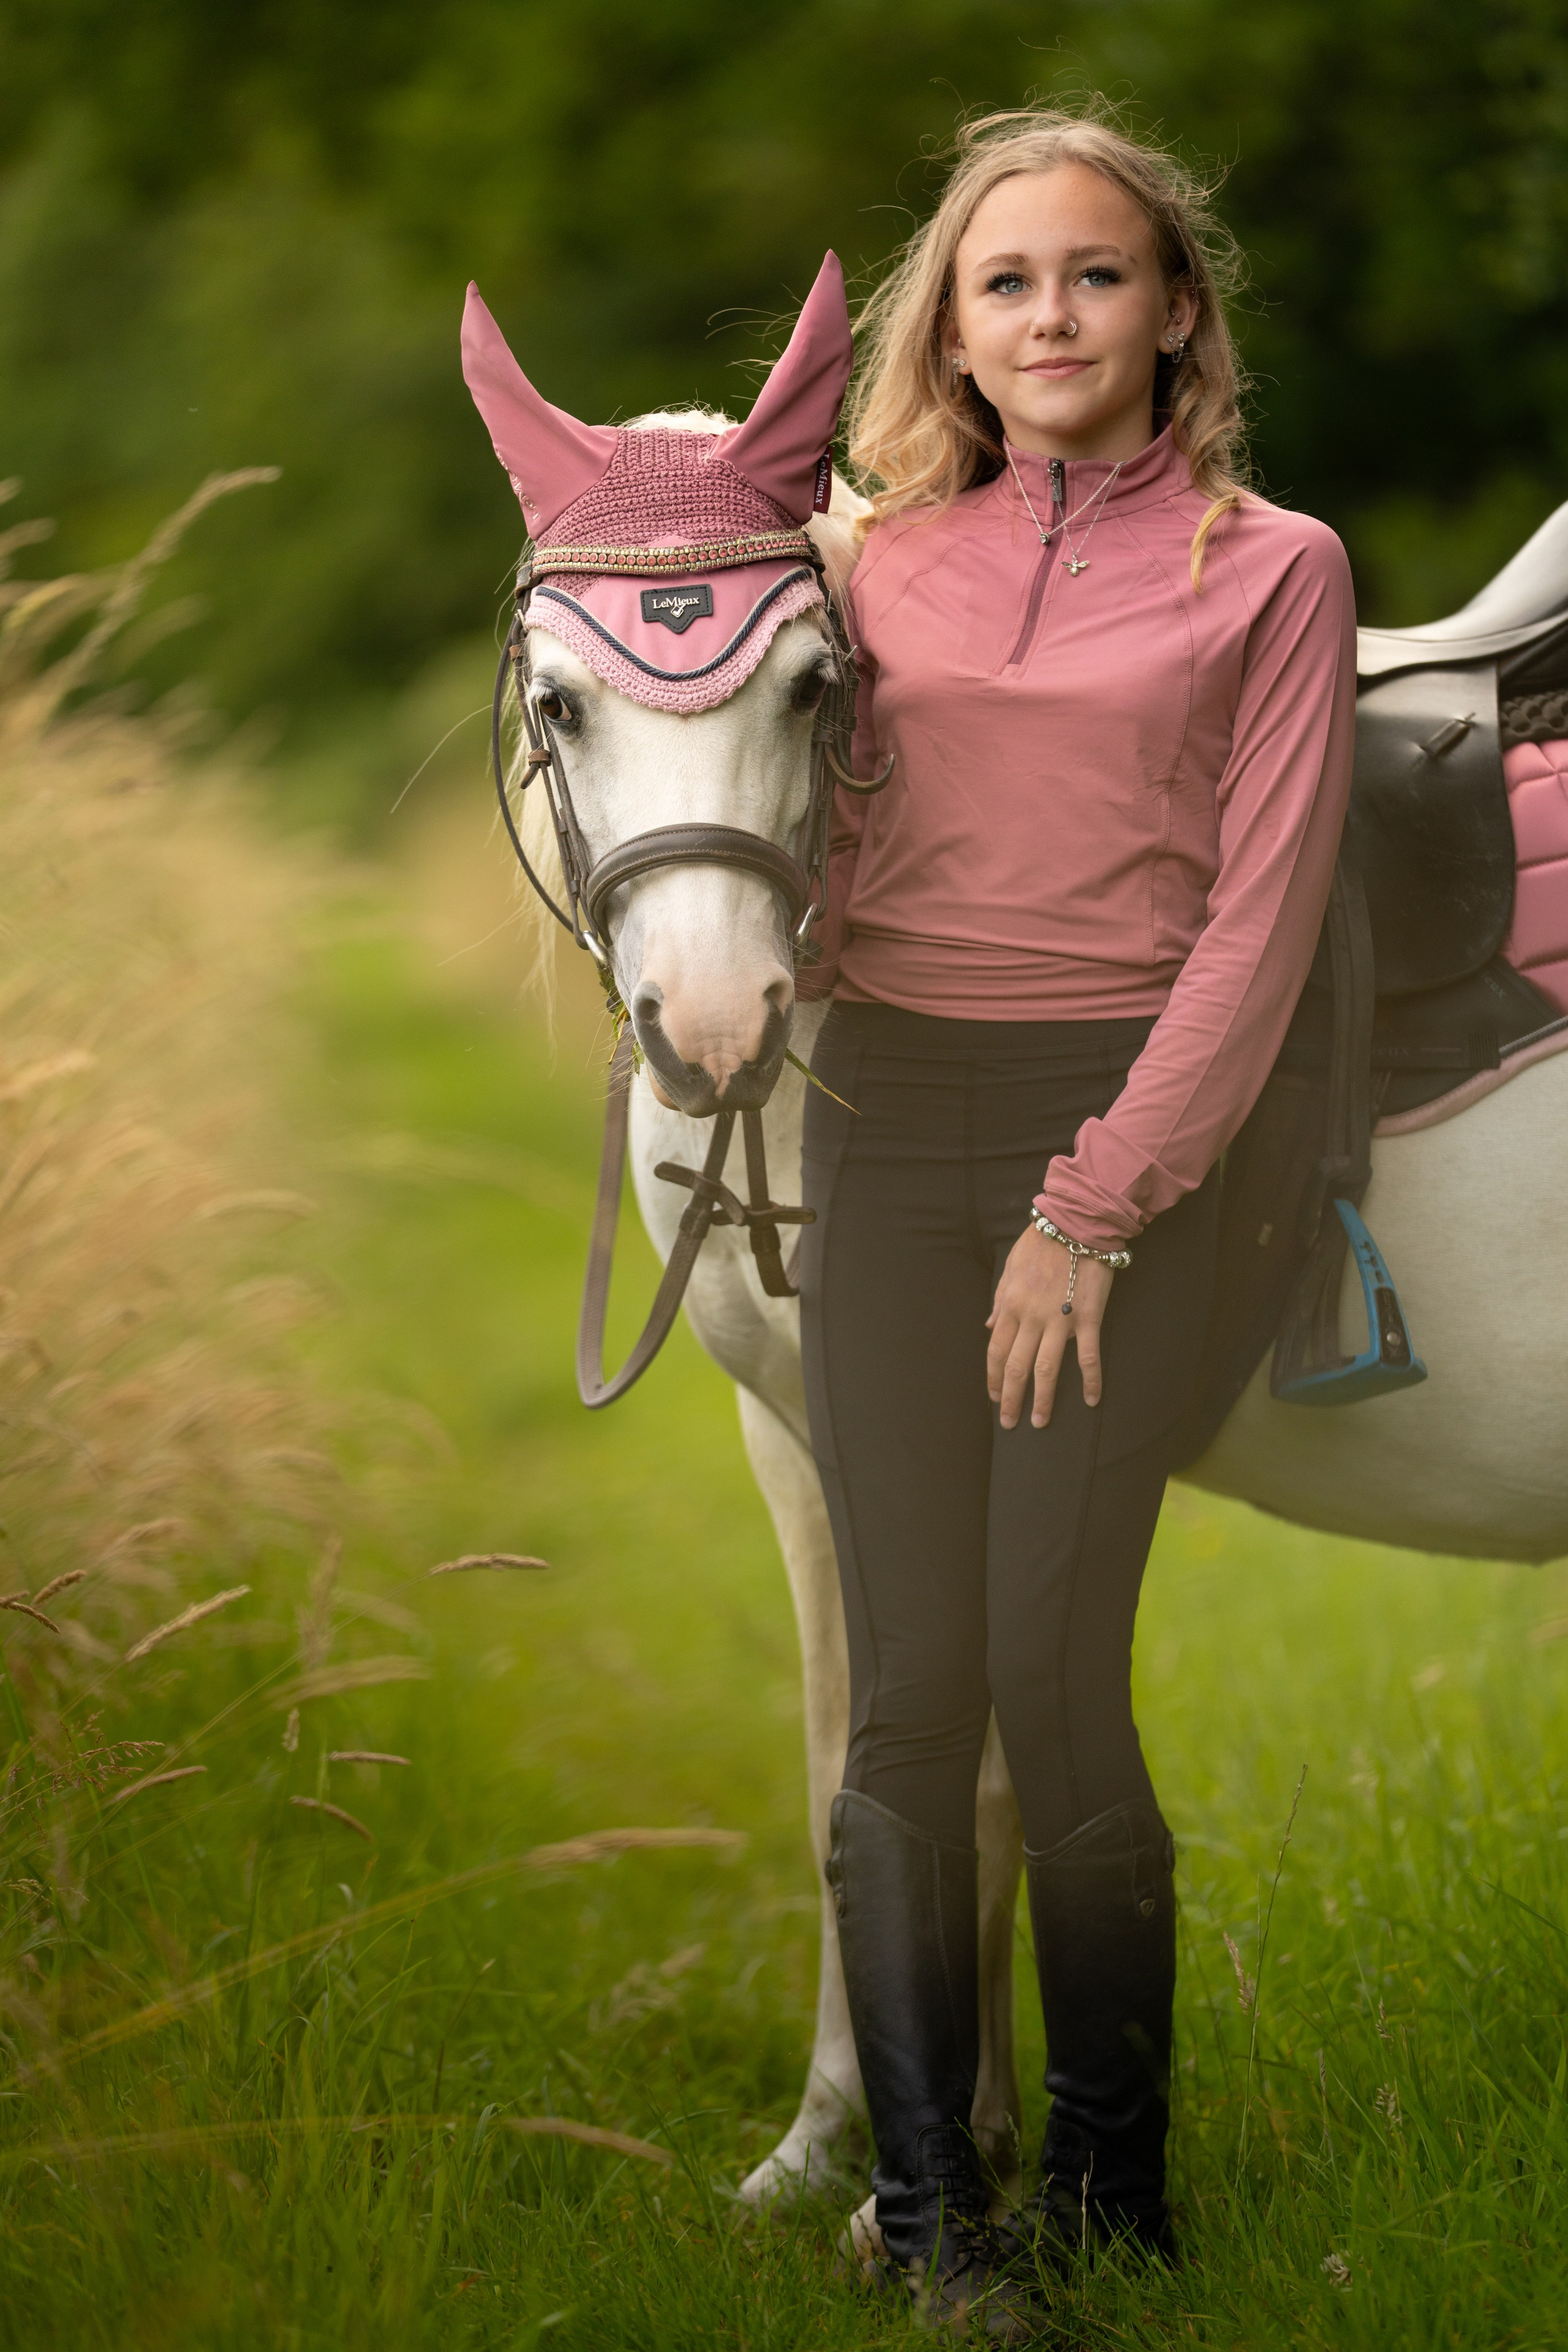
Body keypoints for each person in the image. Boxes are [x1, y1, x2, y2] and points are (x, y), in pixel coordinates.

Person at [801, 107, 1356, 2328]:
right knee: (911, 1698)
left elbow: (1263, 921)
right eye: (1005, 278)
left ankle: (1124, 2196)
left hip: (1135, 1136)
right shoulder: (867, 568)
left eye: (1096, 274)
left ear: (1175, 310)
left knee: (1052, 1671)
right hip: (885, 1123)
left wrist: (1093, 1207)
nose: (1049, 315)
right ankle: (941, 2224)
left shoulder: (1276, 565)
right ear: (953, 318)